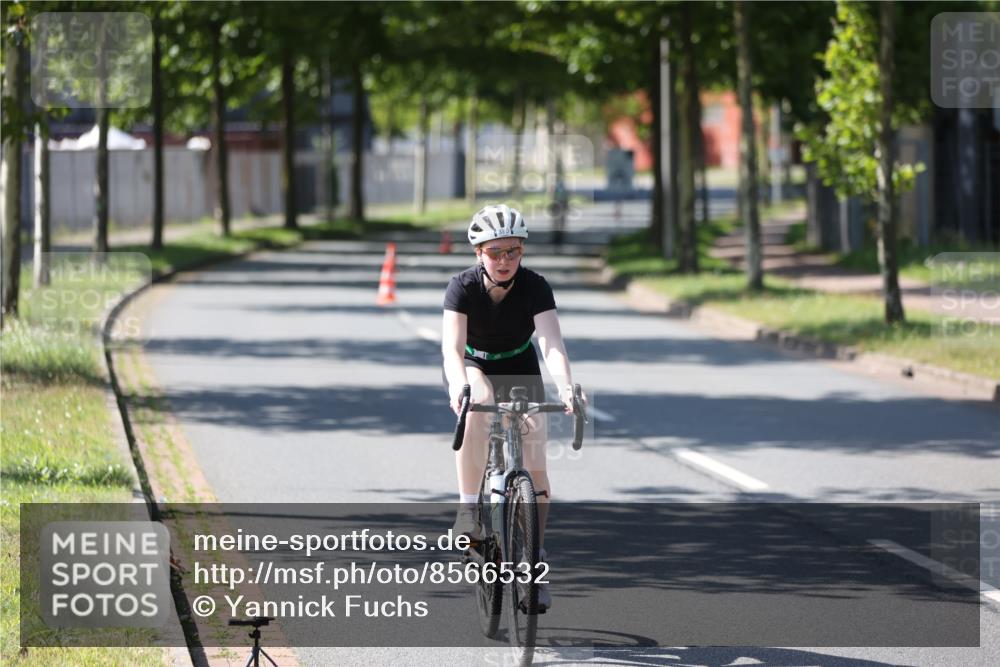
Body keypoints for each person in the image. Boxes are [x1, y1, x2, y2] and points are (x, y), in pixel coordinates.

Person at [441, 203, 582, 612]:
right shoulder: (462, 287)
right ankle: (469, 508)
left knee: (536, 464)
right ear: (478, 253)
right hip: (475, 363)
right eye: (495, 252)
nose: (504, 261)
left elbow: (551, 344)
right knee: (479, 403)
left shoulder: (536, 286)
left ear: (522, 251)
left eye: (513, 252)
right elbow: (452, 348)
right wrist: (458, 385)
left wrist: (567, 388)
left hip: (520, 365)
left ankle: (534, 564)